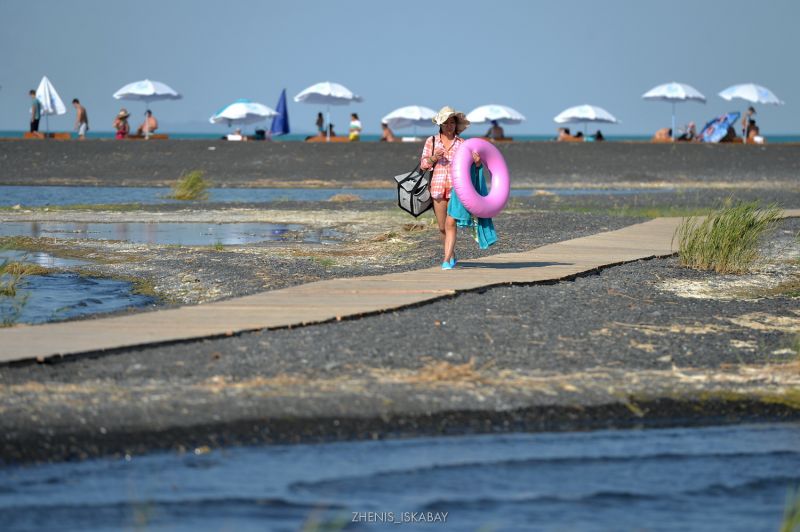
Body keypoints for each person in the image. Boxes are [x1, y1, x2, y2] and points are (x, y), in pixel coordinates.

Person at [419, 106, 481, 270]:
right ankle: (451, 254)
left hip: (457, 189)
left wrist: (476, 161)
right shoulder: (431, 141)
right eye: (446, 122)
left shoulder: (462, 144)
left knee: (450, 223)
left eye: (452, 122)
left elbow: (472, 166)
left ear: (456, 125)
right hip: (437, 188)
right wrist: (434, 158)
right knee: (441, 227)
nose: (449, 125)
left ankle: (446, 259)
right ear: (440, 124)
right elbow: (423, 165)